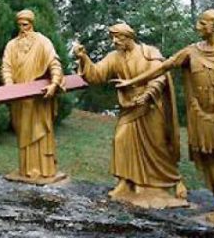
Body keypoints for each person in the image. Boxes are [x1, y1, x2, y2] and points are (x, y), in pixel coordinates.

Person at [114, 10, 214, 228]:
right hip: (202, 113)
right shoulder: (192, 52)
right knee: (212, 158)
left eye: (202, 23)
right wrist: (132, 82)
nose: (197, 26)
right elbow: (163, 67)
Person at [74, 23, 186, 207]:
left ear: (129, 37)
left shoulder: (149, 52)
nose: (114, 41)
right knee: (121, 139)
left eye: (118, 37)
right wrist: (83, 57)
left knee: (158, 146)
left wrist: (148, 94)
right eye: (112, 38)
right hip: (129, 107)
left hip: (151, 106)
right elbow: (96, 75)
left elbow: (160, 75)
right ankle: (125, 182)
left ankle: (167, 183)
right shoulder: (114, 57)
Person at [1, 9, 65, 183]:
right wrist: (9, 86)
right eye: (20, 25)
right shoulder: (11, 45)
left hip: (39, 98)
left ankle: (44, 170)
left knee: (41, 133)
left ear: (32, 24)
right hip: (20, 100)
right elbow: (6, 66)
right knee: (24, 134)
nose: (23, 29)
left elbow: (55, 64)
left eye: (26, 24)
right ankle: (27, 170)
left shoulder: (43, 42)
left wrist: (54, 84)